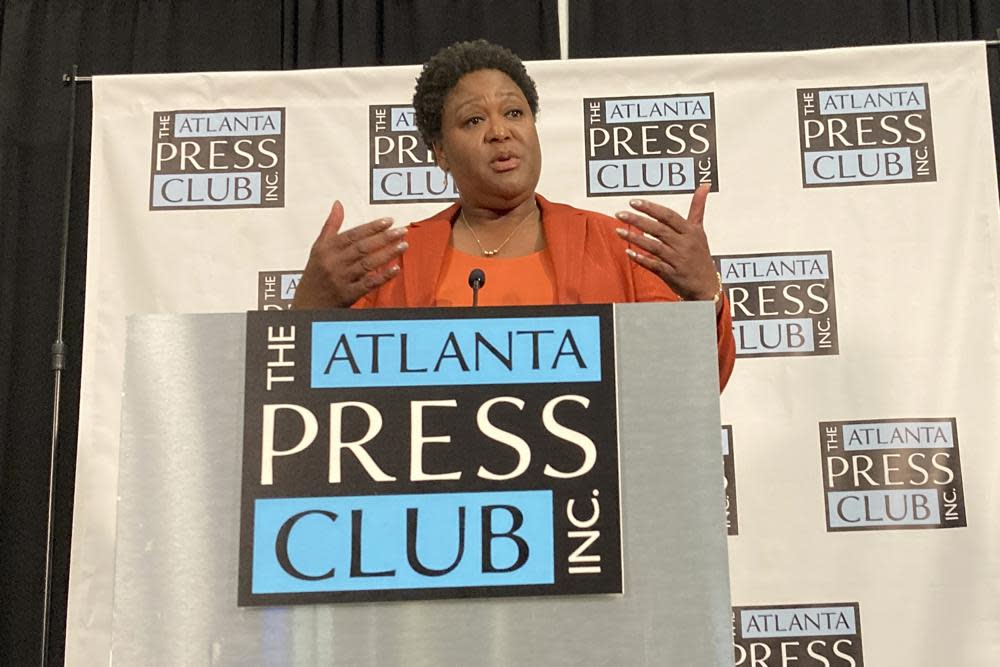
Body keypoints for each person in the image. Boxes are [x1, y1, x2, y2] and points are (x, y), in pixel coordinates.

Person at [293, 39, 735, 389]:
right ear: (441, 153)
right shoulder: (392, 263)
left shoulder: (621, 247)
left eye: (514, 112)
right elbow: (316, 402)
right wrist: (308, 308)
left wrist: (704, 295)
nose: (500, 131)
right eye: (473, 121)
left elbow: (688, 388)